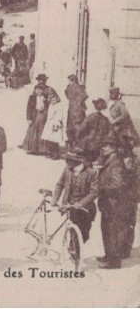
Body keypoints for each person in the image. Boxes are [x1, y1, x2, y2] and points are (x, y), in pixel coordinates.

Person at [95, 136, 132, 269]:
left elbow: (118, 184)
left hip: (114, 203)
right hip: (108, 202)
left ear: (113, 148)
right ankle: (108, 256)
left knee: (112, 231)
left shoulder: (116, 162)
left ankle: (114, 261)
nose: (103, 148)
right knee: (106, 229)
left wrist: (101, 189)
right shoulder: (111, 160)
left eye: (106, 146)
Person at [50, 147, 99, 243]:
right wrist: (55, 199)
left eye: (69, 160)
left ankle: (77, 245)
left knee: (84, 235)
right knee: (74, 232)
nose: (66, 162)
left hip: (85, 207)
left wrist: (81, 204)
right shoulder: (67, 170)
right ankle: (73, 249)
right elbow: (60, 184)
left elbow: (94, 192)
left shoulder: (91, 173)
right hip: (70, 206)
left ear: (78, 161)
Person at [22, 84, 49, 155]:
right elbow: (28, 108)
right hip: (34, 115)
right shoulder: (32, 98)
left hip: (43, 116)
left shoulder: (46, 98)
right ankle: (32, 149)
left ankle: (42, 149)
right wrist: (29, 118)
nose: (39, 91)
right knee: (33, 131)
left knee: (41, 131)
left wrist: (45, 106)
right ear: (35, 90)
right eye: (38, 90)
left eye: (41, 90)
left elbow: (49, 108)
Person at [65, 75, 89, 142]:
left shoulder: (71, 88)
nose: (69, 82)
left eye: (69, 81)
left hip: (76, 109)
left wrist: (76, 102)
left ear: (73, 81)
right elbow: (85, 96)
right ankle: (76, 141)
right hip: (76, 109)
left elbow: (84, 96)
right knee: (76, 126)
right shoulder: (77, 87)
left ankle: (74, 141)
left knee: (74, 126)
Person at [41, 94, 65, 159]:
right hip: (49, 124)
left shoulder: (58, 107)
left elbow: (59, 116)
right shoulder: (50, 106)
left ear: (57, 100)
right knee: (49, 140)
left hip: (55, 123)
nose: (53, 101)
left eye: (54, 100)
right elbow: (49, 115)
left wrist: (57, 125)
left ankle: (56, 154)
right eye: (51, 100)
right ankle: (50, 153)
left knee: (55, 140)